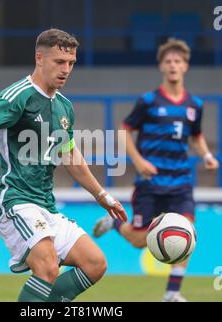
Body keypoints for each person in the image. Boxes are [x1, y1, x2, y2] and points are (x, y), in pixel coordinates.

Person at [0, 28, 127, 302]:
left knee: (95, 263)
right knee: (47, 266)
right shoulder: (18, 96)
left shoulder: (64, 107)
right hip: (14, 200)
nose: (66, 69)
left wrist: (102, 196)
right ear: (39, 58)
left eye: (71, 63)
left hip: (45, 205)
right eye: (59, 62)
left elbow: (70, 156)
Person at [93, 38, 219, 302]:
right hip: (150, 183)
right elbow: (124, 130)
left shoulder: (195, 104)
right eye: (168, 61)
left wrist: (206, 154)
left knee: (187, 233)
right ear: (161, 66)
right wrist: (138, 161)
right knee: (140, 240)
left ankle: (172, 293)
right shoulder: (148, 101)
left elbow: (195, 136)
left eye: (178, 61)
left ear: (186, 66)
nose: (173, 65)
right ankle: (115, 223)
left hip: (180, 182)